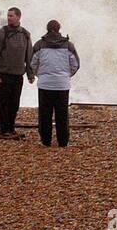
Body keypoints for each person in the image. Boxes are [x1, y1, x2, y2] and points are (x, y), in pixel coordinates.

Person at [29, 19, 80, 147]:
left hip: (45, 84)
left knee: (45, 114)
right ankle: (63, 141)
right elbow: (75, 64)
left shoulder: (39, 44)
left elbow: (32, 63)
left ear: (47, 29)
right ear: (59, 29)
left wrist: (39, 75)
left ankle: (46, 141)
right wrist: (66, 75)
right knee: (62, 114)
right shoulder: (68, 45)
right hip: (62, 85)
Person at [0, 7, 34, 139]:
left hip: (18, 75)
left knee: (14, 104)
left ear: (19, 17)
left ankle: (11, 128)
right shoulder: (1, 33)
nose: (9, 18)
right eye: (8, 16)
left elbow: (29, 56)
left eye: (11, 16)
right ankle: (3, 131)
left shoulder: (25, 34)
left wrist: (30, 74)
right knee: (3, 104)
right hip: (3, 75)